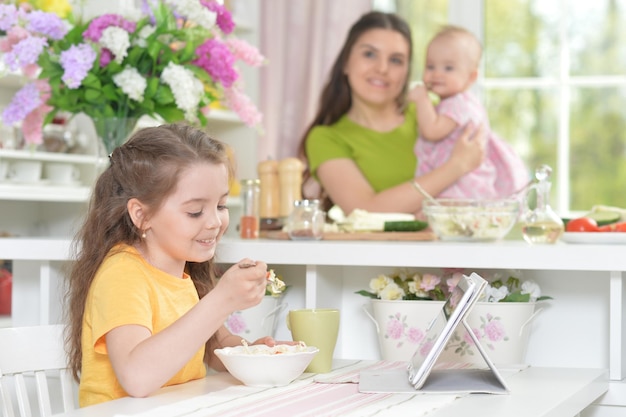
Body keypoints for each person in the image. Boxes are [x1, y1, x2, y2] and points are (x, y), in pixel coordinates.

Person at [65, 124, 283, 407]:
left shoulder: (185, 271)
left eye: (221, 205)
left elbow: (214, 347)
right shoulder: (122, 274)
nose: (215, 222)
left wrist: (253, 355)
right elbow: (137, 377)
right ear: (141, 215)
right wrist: (221, 300)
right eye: (195, 212)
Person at [298, 11, 486, 216]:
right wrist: (456, 167)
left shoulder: (432, 115)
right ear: (345, 62)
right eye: (369, 54)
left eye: (396, 60)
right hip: (377, 250)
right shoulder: (326, 139)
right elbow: (366, 210)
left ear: (407, 71)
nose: (382, 68)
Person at [409, 25, 529, 199]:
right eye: (430, 66)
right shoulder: (454, 103)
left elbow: (432, 131)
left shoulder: (458, 103)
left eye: (448, 68)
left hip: (462, 187)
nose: (436, 74)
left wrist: (421, 100)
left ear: (471, 77)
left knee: (436, 217)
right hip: (456, 184)